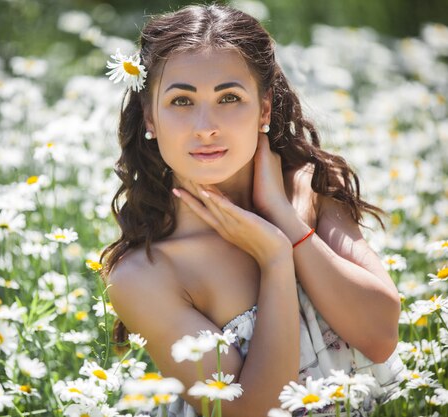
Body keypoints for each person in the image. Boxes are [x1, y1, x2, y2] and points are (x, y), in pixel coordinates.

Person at [100, 4, 404, 417]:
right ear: (150, 117)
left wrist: (288, 223)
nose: (206, 126)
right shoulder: (146, 273)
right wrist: (275, 260)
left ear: (263, 109)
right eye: (182, 101)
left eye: (228, 97)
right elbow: (248, 414)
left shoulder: (309, 189)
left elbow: (381, 335)